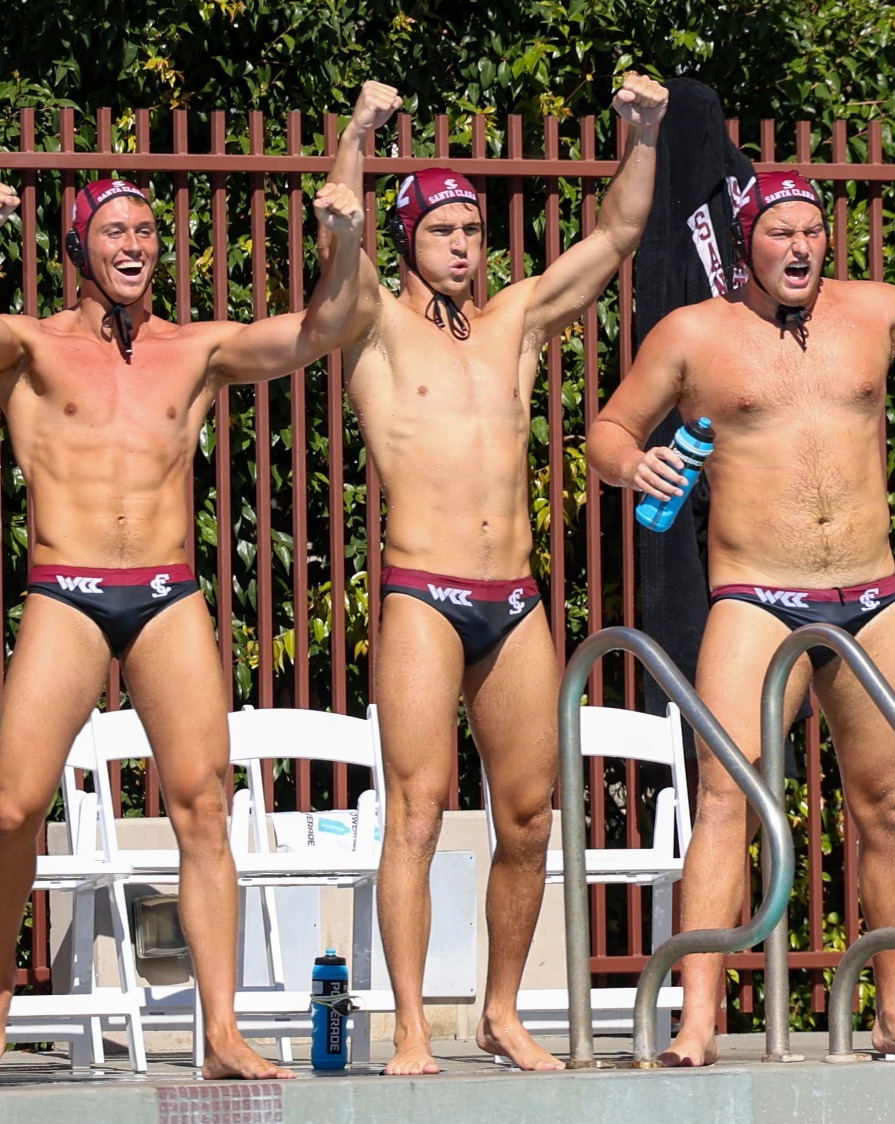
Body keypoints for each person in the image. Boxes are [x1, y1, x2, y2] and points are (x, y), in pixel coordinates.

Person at [0, 81, 380, 1078]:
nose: (135, 242)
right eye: (115, 228)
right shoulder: (34, 344)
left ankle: (219, 1031)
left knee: (202, 804)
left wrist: (345, 229)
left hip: (168, 590)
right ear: (81, 245)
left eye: (146, 229)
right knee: (13, 806)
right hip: (68, 586)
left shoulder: (196, 349)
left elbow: (320, 329)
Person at [591, 172, 895, 1065]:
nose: (799, 248)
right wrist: (636, 469)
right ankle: (696, 1020)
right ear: (747, 241)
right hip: (755, 596)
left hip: (873, 593)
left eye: (813, 232)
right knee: (725, 798)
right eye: (780, 231)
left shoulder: (877, 311)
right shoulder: (695, 333)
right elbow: (608, 432)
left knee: (892, 805)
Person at [322, 72, 669, 1074]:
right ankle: (410, 1026)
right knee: (419, 811)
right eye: (442, 229)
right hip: (422, 592)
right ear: (407, 240)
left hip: (511, 598)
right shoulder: (374, 322)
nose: (464, 244)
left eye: (472, 228)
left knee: (527, 814)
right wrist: (355, 136)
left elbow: (613, 238)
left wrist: (640, 135)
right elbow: (336, 241)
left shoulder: (514, 319)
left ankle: (501, 1009)